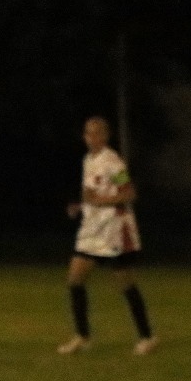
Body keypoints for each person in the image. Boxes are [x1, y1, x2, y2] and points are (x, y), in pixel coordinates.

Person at [58, 116, 158, 356]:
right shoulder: (88, 160)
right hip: (92, 230)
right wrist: (80, 206)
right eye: (87, 133)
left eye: (96, 133)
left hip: (114, 230)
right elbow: (90, 194)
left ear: (105, 136)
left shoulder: (113, 162)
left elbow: (129, 193)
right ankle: (82, 336)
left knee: (125, 283)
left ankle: (147, 337)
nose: (90, 137)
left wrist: (101, 201)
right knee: (75, 279)